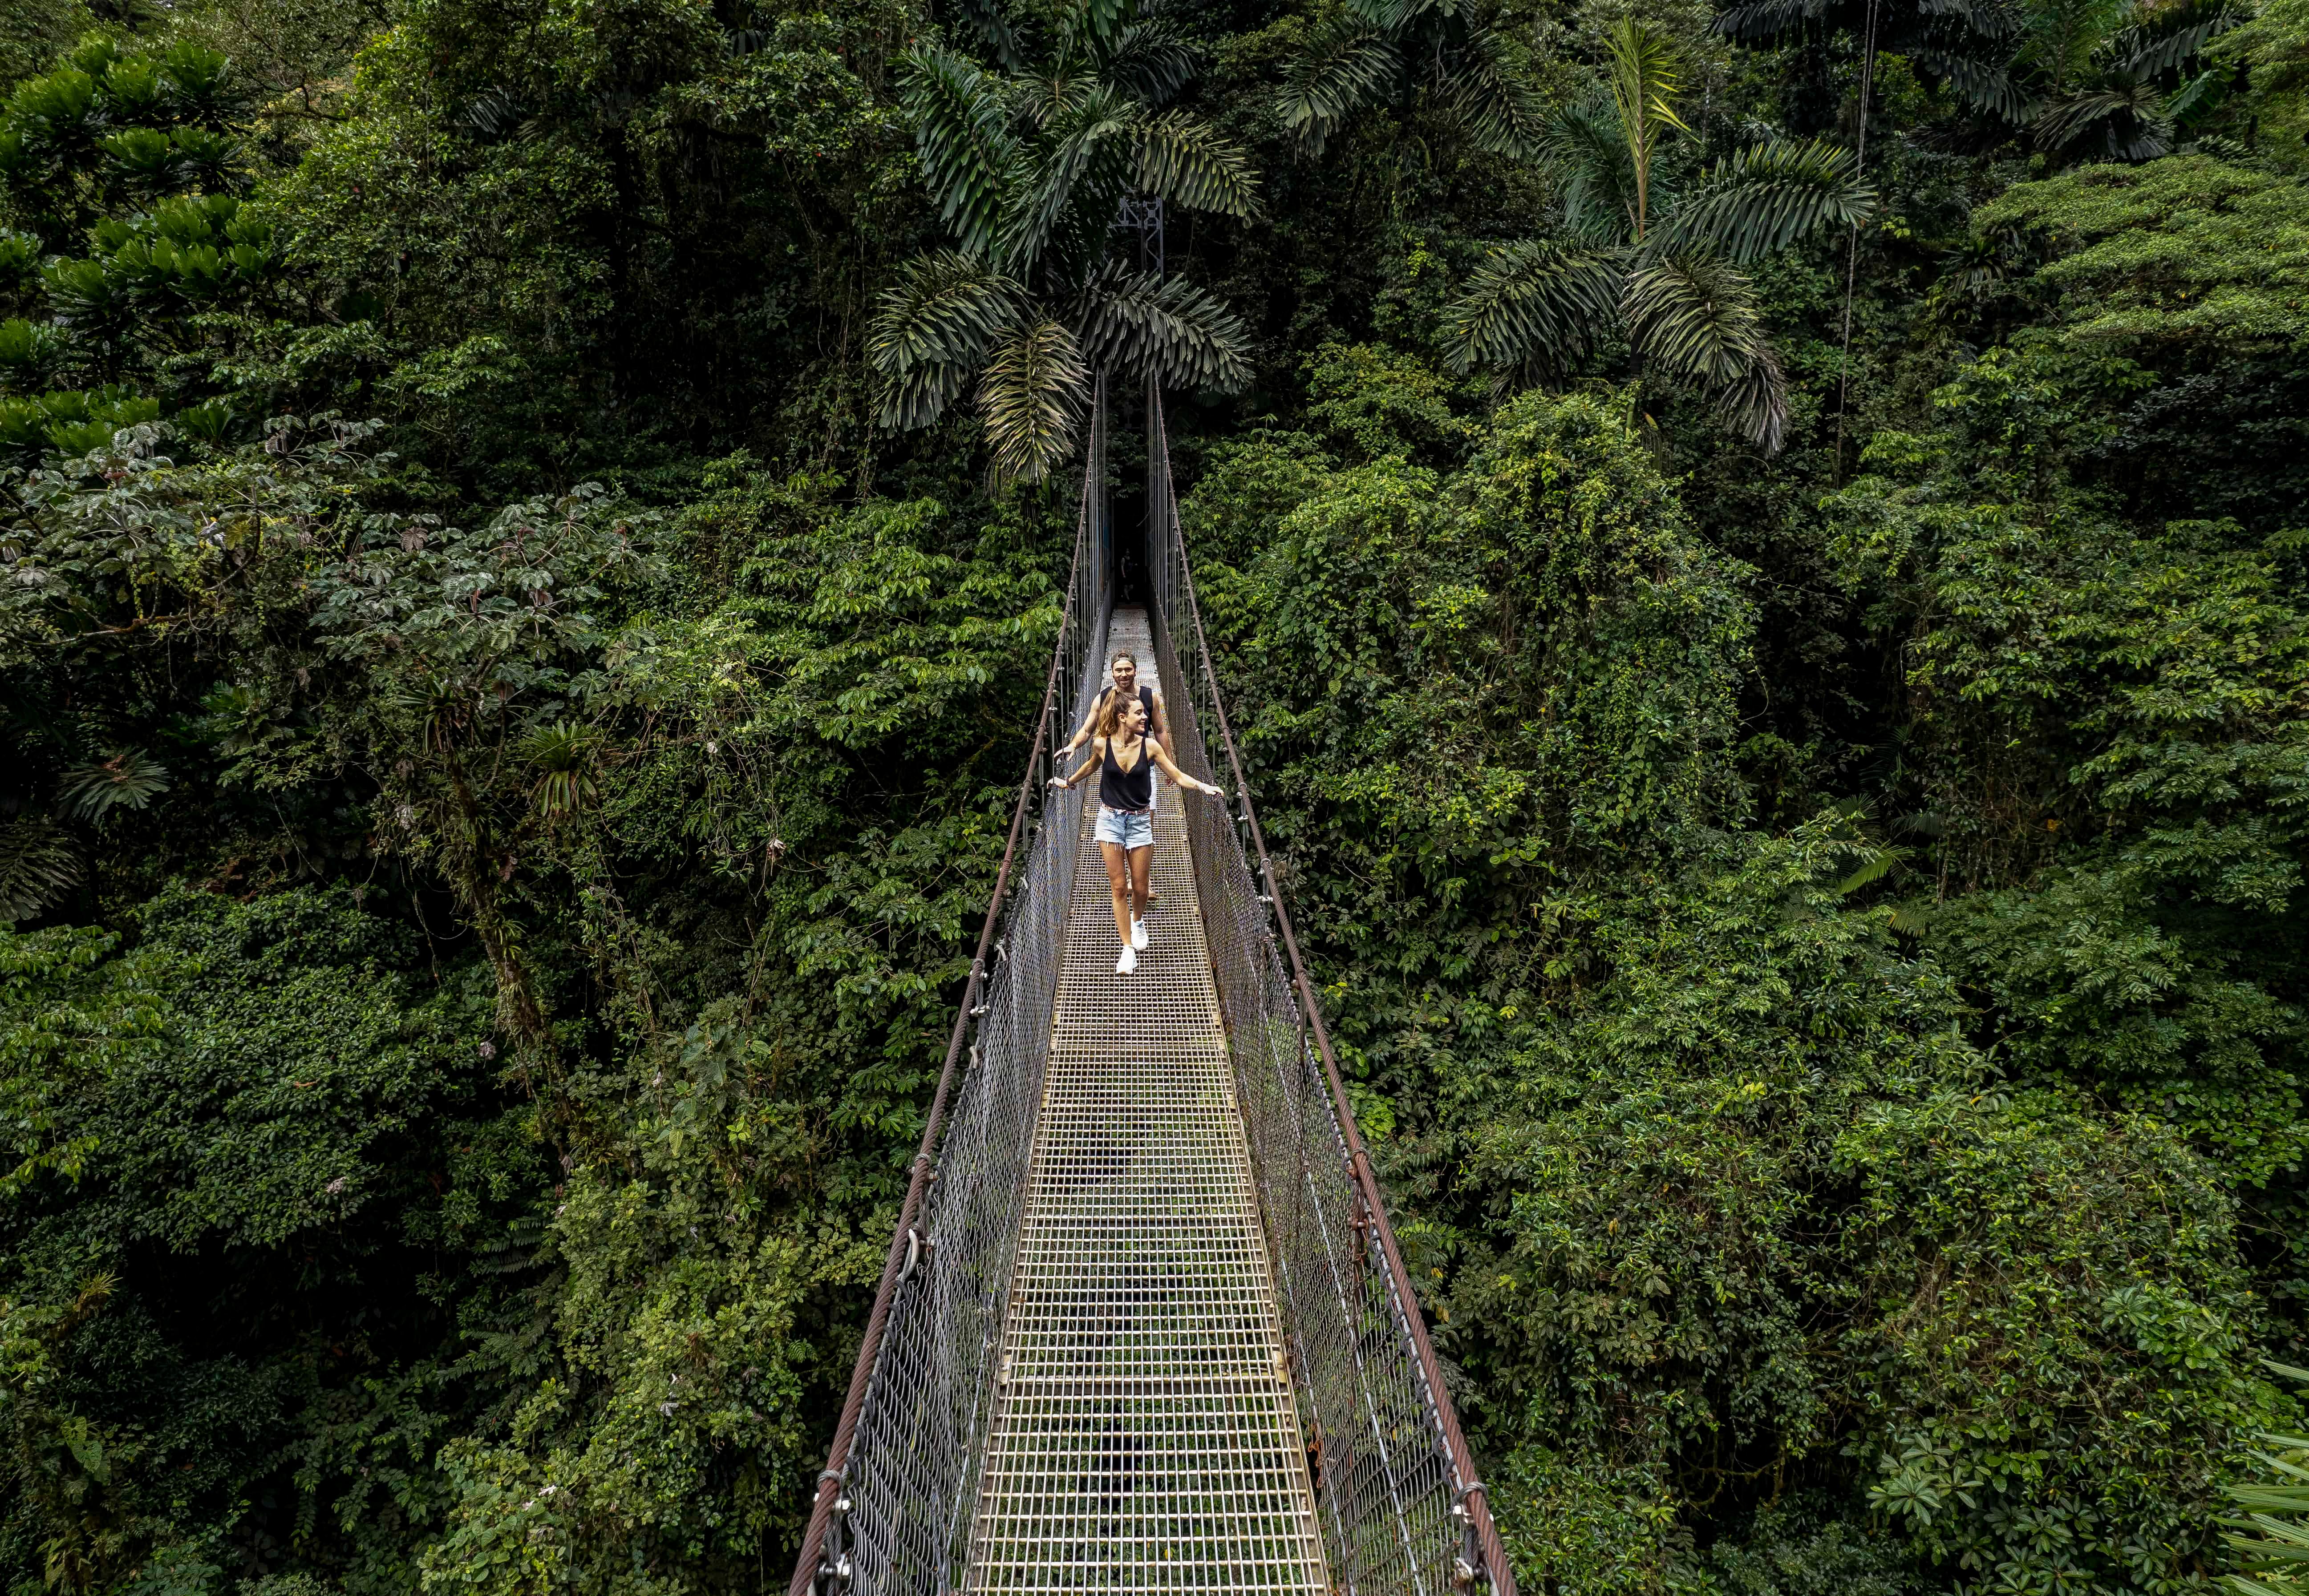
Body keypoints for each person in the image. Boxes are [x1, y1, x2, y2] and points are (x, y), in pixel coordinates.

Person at [1048, 692, 1223, 974]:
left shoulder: (1151, 747)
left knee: (1140, 888)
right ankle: (1128, 949)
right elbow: (1091, 767)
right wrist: (1068, 782)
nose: (1146, 717)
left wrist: (1204, 787)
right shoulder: (1102, 744)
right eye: (1139, 713)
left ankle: (1138, 920)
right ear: (1122, 718)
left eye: (1145, 712)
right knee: (1119, 888)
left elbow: (1177, 776)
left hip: (1140, 822)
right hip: (1109, 821)